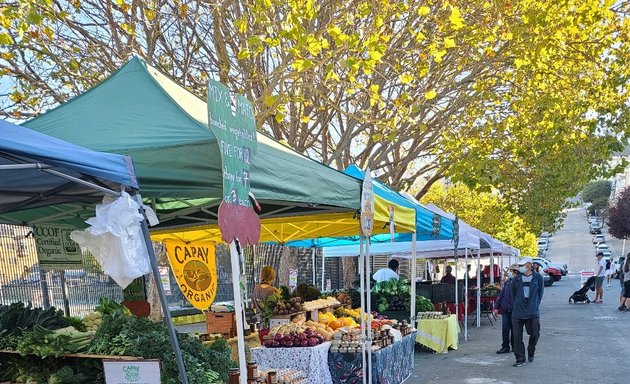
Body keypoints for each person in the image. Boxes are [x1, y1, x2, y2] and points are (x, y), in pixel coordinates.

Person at [510, 257, 544, 367]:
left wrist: (534, 305)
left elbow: (540, 294)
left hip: (532, 311)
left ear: (529, 265)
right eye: (520, 266)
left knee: (535, 333)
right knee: (516, 336)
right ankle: (520, 358)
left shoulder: (538, 278)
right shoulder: (516, 279)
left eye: (522, 265)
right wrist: (517, 305)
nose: (520, 267)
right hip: (518, 312)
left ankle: (531, 350)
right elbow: (512, 295)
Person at [493, 264, 519, 354]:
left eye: (511, 271)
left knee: (514, 329)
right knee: (505, 329)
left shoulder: (519, 282)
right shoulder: (508, 282)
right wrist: (496, 307)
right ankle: (505, 347)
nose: (509, 273)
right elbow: (501, 294)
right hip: (505, 309)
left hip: (515, 310)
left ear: (516, 272)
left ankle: (515, 347)